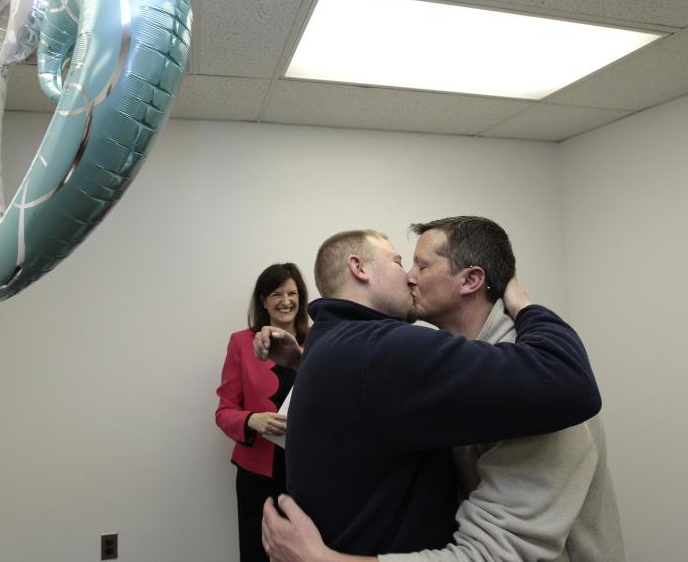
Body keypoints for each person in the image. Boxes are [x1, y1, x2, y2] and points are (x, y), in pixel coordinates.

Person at [259, 219, 625, 562]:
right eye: (404, 263)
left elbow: (493, 556)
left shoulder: (542, 396)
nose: (409, 277)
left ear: (469, 280)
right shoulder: (426, 360)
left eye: (421, 266)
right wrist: (307, 364)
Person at [216, 262, 311, 562]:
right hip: (258, 475)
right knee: (257, 553)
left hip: (312, 471)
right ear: (263, 301)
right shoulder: (241, 343)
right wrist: (251, 420)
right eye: (276, 293)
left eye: (292, 293)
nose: (286, 301)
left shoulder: (320, 340)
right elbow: (224, 410)